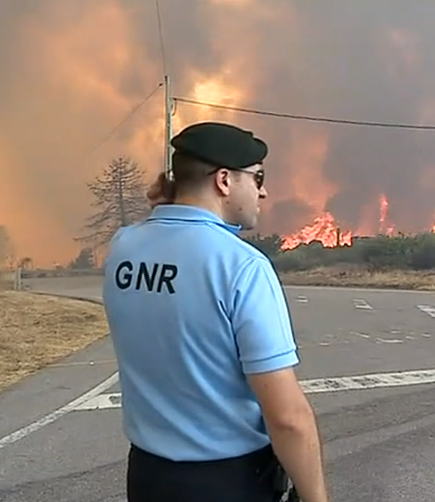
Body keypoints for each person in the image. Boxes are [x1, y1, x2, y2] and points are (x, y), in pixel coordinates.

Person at [101, 121, 330, 502]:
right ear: (224, 180)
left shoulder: (123, 247)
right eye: (258, 178)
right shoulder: (241, 266)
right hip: (227, 483)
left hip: (147, 477)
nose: (264, 190)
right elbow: (288, 419)